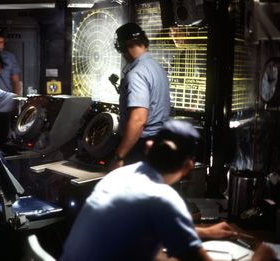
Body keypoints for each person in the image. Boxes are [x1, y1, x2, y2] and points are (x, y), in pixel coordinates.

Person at [60, 120, 275, 261]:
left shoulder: (118, 176)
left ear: (149, 147)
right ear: (188, 167)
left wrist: (206, 232)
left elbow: (146, 228)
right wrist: (261, 258)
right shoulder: (163, 199)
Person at [111, 22, 171, 170]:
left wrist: (120, 156)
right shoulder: (158, 69)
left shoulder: (136, 74)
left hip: (140, 148)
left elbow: (138, 119)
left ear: (124, 46)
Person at [0, 28, 21, 145]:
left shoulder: (10, 58)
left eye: (1, 42)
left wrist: (17, 103)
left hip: (6, 104)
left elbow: (16, 81)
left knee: (3, 137)